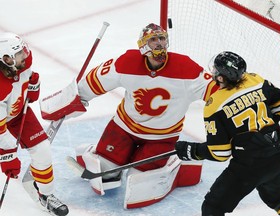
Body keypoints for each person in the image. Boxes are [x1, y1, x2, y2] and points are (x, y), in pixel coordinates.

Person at [40, 23, 218, 208]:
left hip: (162, 137)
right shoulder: (127, 62)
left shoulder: (186, 68)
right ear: (142, 45)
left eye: (162, 38)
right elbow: (96, 81)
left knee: (138, 180)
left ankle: (172, 171)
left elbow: (217, 93)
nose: (159, 43)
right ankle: (102, 155)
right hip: (123, 129)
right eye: (153, 40)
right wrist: (72, 99)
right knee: (106, 172)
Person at [175, 51, 280, 216]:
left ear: (221, 78)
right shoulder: (256, 80)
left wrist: (192, 150)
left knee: (213, 207)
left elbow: (220, 153)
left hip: (249, 166)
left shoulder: (215, 105)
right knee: (278, 199)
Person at [0, 32, 69, 216]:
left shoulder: (21, 66)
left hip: (17, 116)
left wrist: (33, 86)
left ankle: (45, 195)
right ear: (6, 59)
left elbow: (29, 92)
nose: (25, 55)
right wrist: (8, 156)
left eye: (23, 50)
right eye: (19, 53)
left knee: (42, 149)